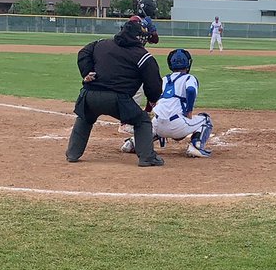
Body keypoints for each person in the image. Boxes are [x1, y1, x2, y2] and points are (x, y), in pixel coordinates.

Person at [66, 18, 164, 166]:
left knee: (85, 117)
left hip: (89, 95)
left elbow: (84, 52)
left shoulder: (101, 44)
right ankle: (147, 157)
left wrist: (87, 72)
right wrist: (152, 98)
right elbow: (154, 83)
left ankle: (73, 153)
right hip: (117, 100)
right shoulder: (143, 56)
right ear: (139, 38)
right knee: (142, 121)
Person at [122, 48, 213, 159]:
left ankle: (134, 142)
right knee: (206, 119)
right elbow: (191, 90)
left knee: (156, 124)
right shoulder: (189, 78)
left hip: (158, 123)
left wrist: (148, 110)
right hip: (178, 125)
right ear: (188, 64)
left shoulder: (164, 79)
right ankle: (196, 146)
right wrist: (189, 112)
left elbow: (151, 93)